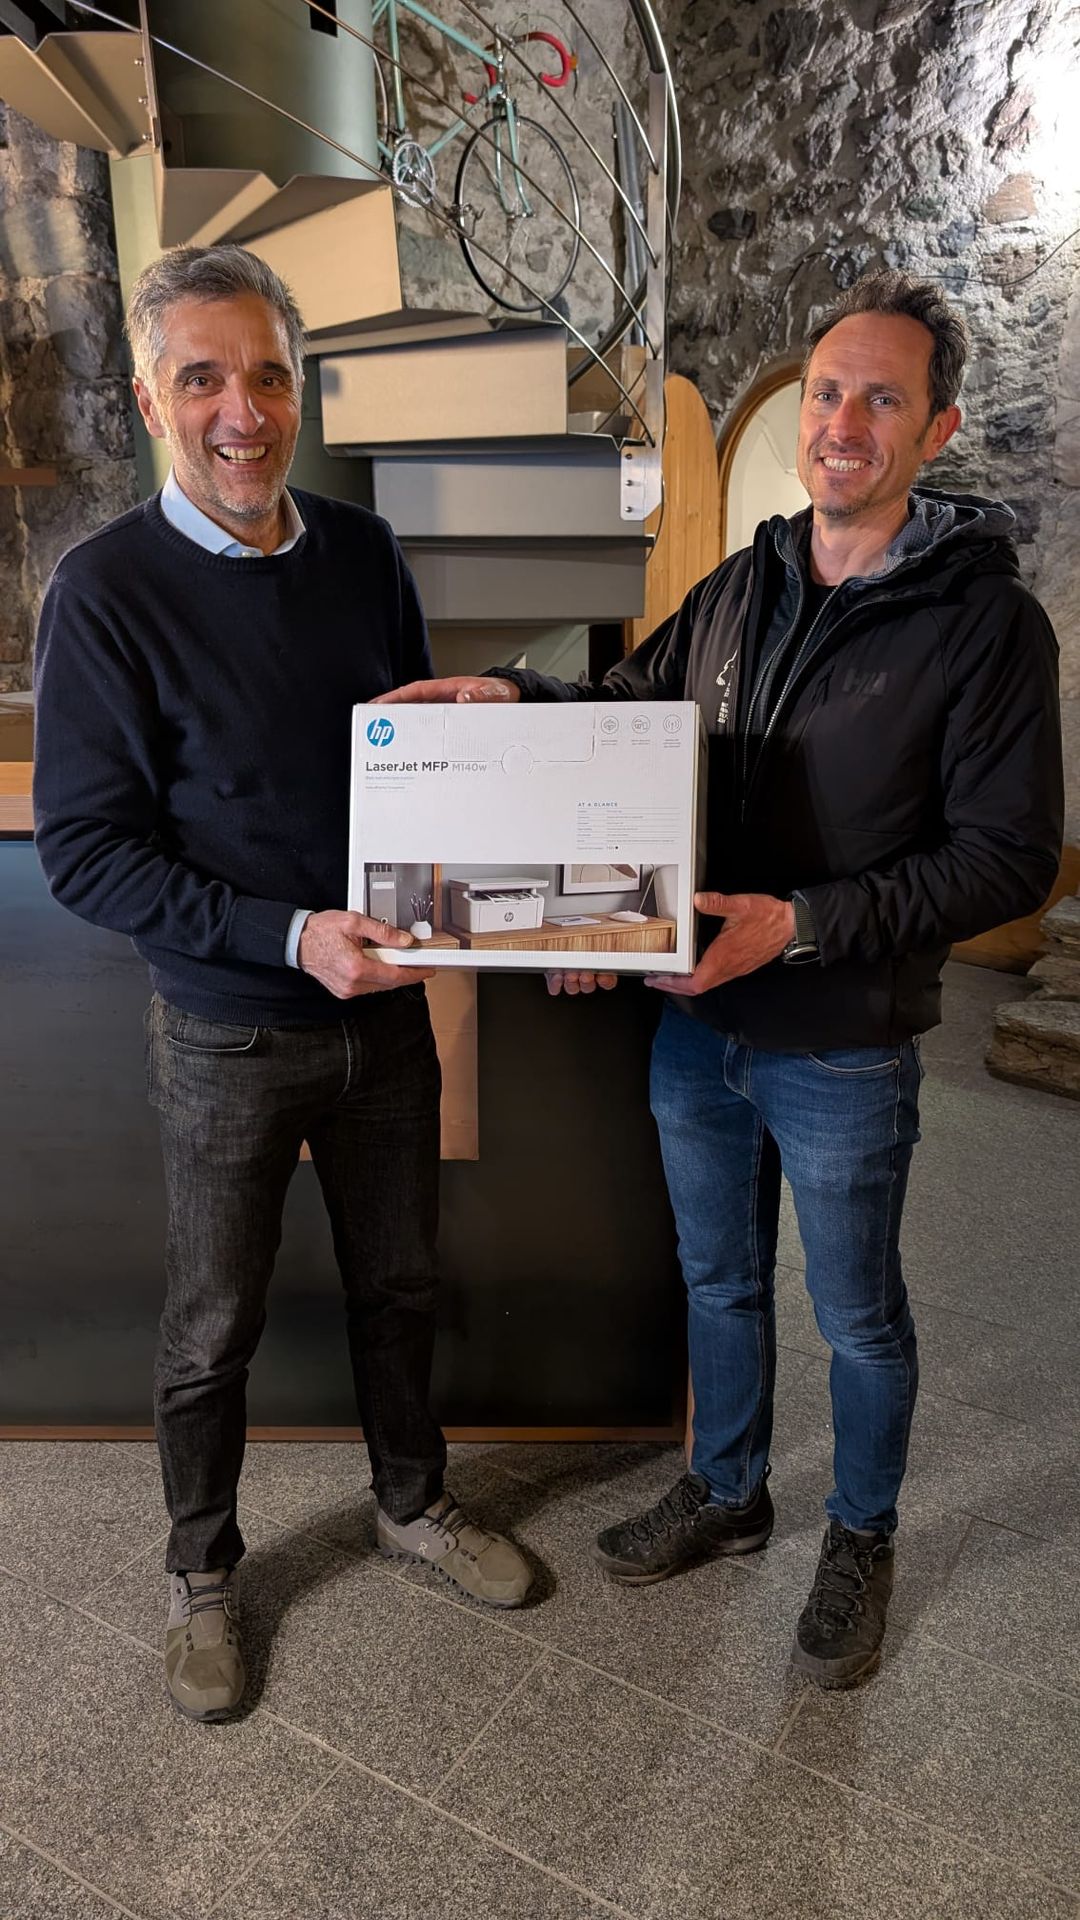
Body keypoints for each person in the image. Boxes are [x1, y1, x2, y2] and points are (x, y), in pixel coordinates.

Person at [377, 269, 1064, 1689]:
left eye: (882, 399)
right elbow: (631, 714)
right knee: (718, 1278)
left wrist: (797, 925)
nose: (843, 423)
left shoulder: (987, 625)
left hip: (839, 1037)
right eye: (828, 392)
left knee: (857, 1316)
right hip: (697, 1022)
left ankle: (859, 1534)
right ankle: (732, 1489)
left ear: (935, 429)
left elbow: (1007, 863)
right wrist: (516, 698)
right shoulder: (747, 581)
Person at [33, 243, 531, 1724]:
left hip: (389, 1022)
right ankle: (201, 1572)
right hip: (229, 1029)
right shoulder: (102, 591)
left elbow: (426, 768)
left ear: (298, 389)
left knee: (401, 1283)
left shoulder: (368, 555)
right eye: (202, 379)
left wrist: (540, 910)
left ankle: (412, 1504)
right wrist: (292, 934)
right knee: (211, 1326)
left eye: (267, 375)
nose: (241, 412)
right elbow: (86, 854)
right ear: (150, 400)